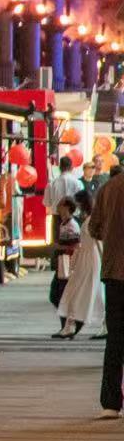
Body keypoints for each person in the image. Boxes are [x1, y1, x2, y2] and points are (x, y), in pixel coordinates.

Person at [95, 168, 124, 415]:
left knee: (115, 337)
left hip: (114, 271)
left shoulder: (108, 188)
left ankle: (111, 402)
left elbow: (94, 228)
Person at [58, 191, 101, 338]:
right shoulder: (89, 219)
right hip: (88, 258)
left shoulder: (90, 221)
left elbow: (98, 243)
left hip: (89, 259)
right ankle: (72, 324)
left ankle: (72, 324)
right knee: (85, 293)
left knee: (79, 292)